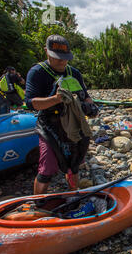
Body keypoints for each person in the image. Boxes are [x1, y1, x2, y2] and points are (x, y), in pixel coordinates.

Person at [24, 34, 98, 195]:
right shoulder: (37, 72)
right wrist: (56, 99)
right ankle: (37, 203)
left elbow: (86, 96)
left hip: (73, 126)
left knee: (74, 163)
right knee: (47, 169)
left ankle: (73, 195)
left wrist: (90, 107)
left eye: (65, 58)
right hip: (50, 126)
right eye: (57, 58)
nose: (62, 61)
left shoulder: (74, 73)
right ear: (46, 52)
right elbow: (31, 103)